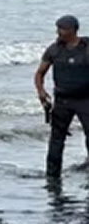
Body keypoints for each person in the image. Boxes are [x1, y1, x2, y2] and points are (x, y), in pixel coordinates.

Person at [35, 15, 89, 179]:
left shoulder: (86, 48)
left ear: (72, 30)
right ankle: (52, 175)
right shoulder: (54, 49)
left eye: (62, 29)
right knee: (56, 140)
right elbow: (40, 73)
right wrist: (41, 92)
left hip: (85, 100)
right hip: (62, 100)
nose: (58, 32)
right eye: (57, 28)